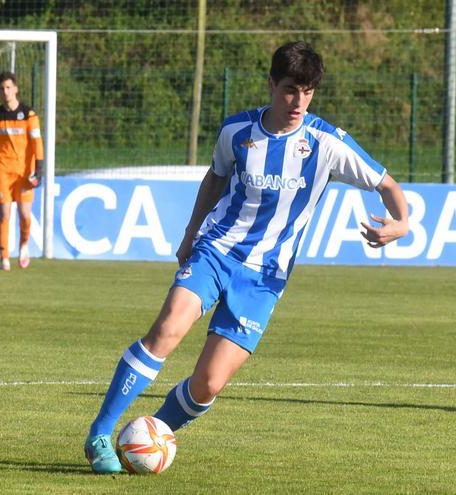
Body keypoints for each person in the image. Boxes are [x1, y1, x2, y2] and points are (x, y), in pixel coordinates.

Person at [83, 41, 410, 474]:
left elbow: (386, 184)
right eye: (291, 89)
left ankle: (146, 438)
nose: (298, 101)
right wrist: (189, 236)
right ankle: (100, 435)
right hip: (217, 250)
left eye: (308, 91)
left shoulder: (327, 143)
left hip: (266, 278)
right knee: (166, 331)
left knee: (207, 384)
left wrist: (400, 223)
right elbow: (214, 180)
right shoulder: (237, 131)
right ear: (272, 84)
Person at [0, 71, 45, 271]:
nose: (5, 92)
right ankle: (4, 257)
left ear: (15, 89)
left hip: (25, 172)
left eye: (8, 87)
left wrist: (39, 168)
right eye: (1, 88)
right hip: (3, 170)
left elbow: (37, 142)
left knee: (25, 215)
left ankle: (24, 245)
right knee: (4, 214)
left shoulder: (28, 115)